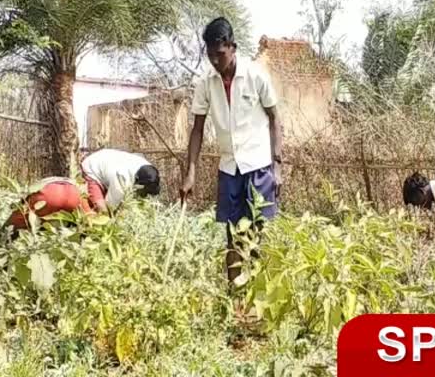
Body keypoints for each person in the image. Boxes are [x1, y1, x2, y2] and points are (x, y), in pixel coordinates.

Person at [179, 17, 283, 285]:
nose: (215, 61)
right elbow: (197, 129)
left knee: (256, 235)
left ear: (232, 47)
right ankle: (235, 298)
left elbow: (274, 118)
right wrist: (190, 173)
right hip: (229, 168)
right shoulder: (205, 83)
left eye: (220, 54)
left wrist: (277, 167)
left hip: (259, 167)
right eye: (210, 55)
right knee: (232, 236)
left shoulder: (255, 75)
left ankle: (256, 298)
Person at [0, 176, 93, 240]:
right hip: (75, 193)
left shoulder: (37, 186)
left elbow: (14, 221)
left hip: (47, 193)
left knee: (10, 229)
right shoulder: (75, 184)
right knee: (90, 228)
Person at [80, 148, 161, 213]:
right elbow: (110, 207)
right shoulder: (122, 180)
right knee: (102, 209)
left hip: (108, 163)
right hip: (93, 167)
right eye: (145, 192)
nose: (146, 195)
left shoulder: (148, 167)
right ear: (137, 183)